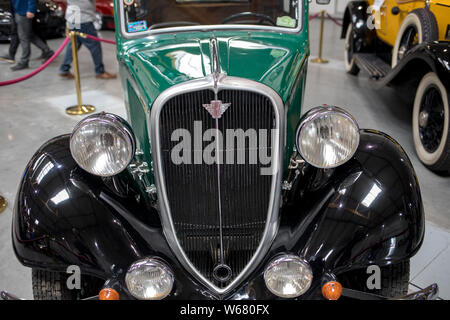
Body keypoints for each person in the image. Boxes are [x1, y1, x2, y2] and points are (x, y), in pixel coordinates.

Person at [59, 0, 115, 79]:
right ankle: (100, 71)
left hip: (73, 14)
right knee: (95, 45)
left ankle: (64, 68)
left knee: (74, 44)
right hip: (82, 17)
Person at [10, 0, 55, 71]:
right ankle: (47, 51)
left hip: (23, 11)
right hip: (18, 10)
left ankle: (24, 61)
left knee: (24, 37)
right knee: (29, 35)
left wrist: (31, 9)